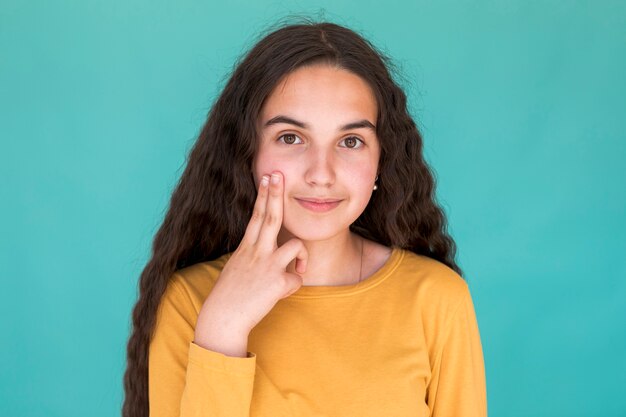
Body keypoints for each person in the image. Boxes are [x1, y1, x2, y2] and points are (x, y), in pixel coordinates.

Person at [122, 17, 487, 417]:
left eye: (351, 141)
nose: (321, 173)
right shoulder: (189, 302)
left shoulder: (437, 299)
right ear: (248, 152)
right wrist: (222, 330)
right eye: (291, 137)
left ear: (381, 161)